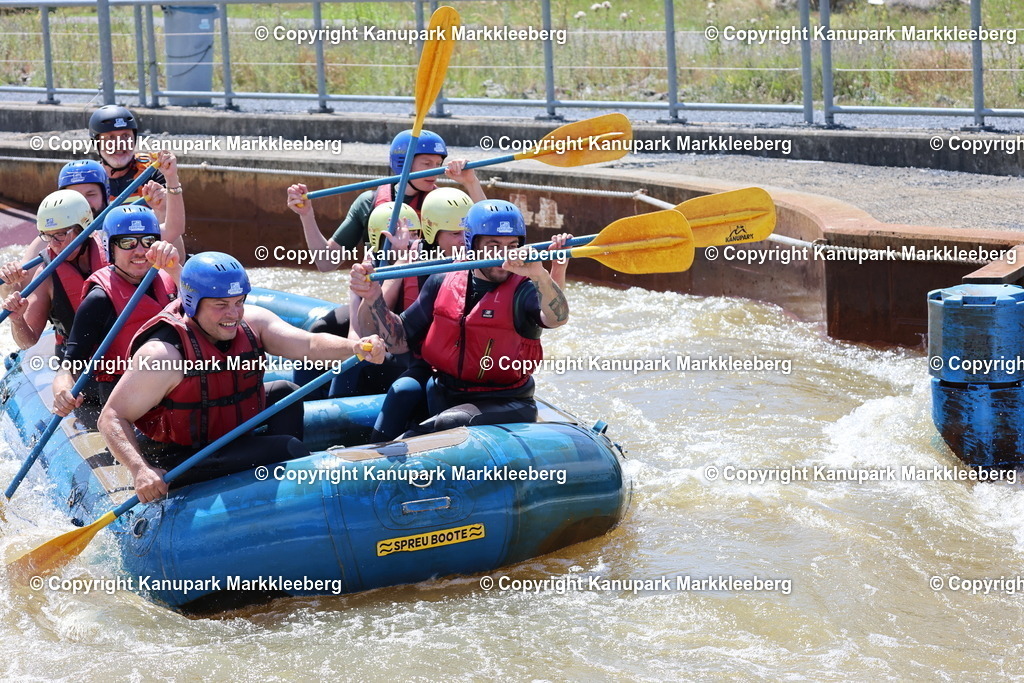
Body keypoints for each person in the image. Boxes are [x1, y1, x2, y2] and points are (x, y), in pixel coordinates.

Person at [98, 252, 386, 502]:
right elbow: (110, 416)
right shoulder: (163, 356)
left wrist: (355, 347)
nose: (233, 314)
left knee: (284, 392)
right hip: (179, 455)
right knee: (289, 448)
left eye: (239, 302)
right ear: (191, 302)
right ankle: (290, 479)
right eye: (221, 305)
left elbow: (308, 345)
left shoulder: (254, 323)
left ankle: (271, 490)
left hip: (224, 432)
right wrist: (141, 470)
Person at [351, 200, 571, 436]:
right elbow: (400, 339)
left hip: (505, 399)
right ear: (472, 244)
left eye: (512, 245)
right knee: (401, 392)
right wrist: (374, 297)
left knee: (448, 422)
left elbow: (556, 319)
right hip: (445, 387)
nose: (503, 254)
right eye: (494, 245)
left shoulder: (524, 289)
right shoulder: (443, 279)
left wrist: (540, 275)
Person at [51, 205, 180, 416]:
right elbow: (68, 366)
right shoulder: (99, 299)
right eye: (127, 242)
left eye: (148, 241)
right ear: (110, 248)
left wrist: (176, 269)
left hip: (173, 390)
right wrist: (63, 389)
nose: (140, 250)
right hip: (129, 402)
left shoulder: (171, 279)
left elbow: (204, 320)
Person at [0, 191, 108, 351]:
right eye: (48, 236)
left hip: (119, 350)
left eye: (60, 234)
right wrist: (17, 320)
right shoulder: (47, 274)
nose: (53, 244)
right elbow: (26, 343)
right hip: (75, 356)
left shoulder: (114, 251)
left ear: (84, 228)